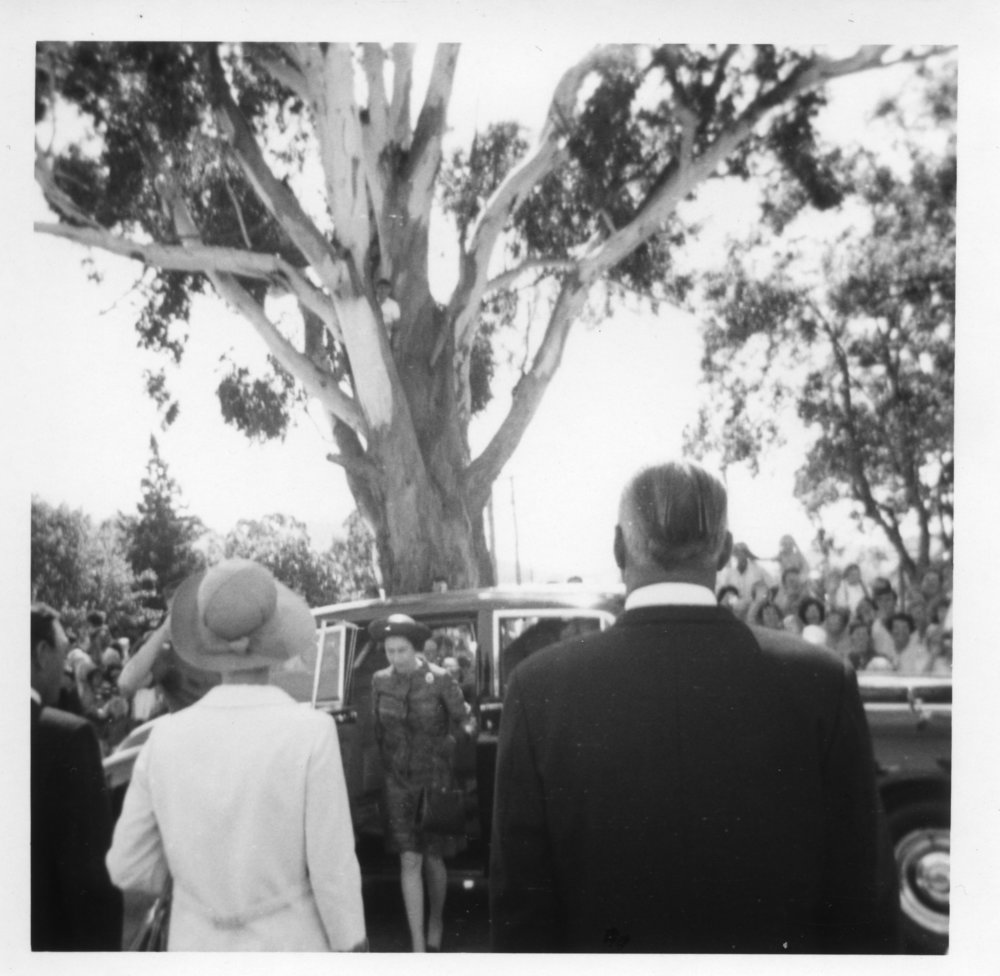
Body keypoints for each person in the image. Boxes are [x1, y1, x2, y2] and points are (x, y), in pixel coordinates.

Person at [490, 460, 898, 953]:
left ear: (619, 548)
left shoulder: (538, 689)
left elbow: (521, 908)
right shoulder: (822, 679)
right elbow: (863, 895)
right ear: (725, 550)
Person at [106, 559, 366, 951]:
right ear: (276, 641)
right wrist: (354, 949)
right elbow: (334, 870)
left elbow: (129, 868)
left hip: (193, 945)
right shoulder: (311, 732)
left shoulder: (163, 739)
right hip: (289, 944)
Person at [370, 614, 476, 952]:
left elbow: (468, 722)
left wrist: (449, 746)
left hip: (435, 780)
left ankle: (437, 919)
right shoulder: (379, 681)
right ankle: (417, 942)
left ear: (415, 649)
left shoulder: (440, 679)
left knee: (433, 858)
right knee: (408, 859)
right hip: (399, 782)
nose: (396, 658)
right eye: (389, 651)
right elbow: (377, 730)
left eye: (401, 650)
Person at [31, 603, 123, 950]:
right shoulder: (67, 738)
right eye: (62, 654)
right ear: (42, 653)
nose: (65, 667)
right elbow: (91, 887)